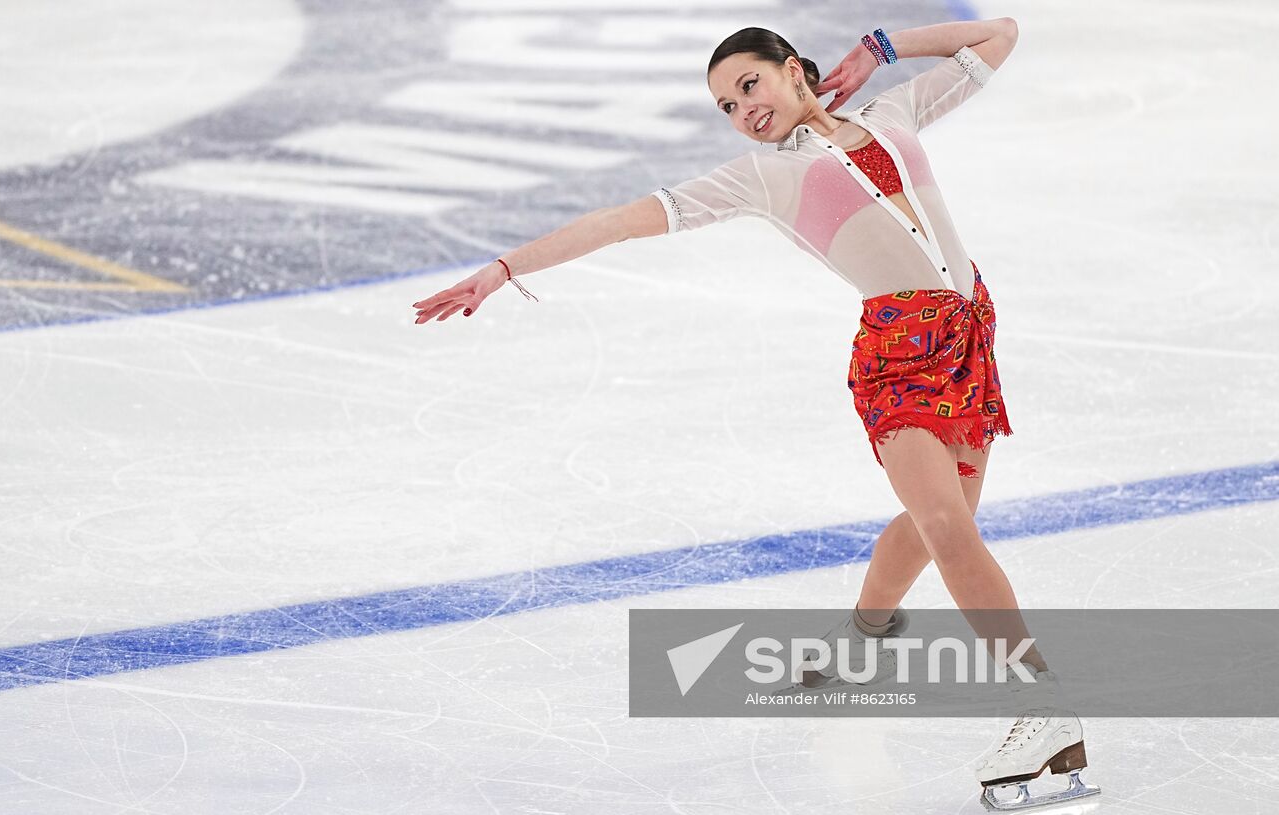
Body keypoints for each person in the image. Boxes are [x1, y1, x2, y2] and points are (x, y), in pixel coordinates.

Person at [411, 18, 1098, 811]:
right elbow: (618, 220)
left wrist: (876, 50)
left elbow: (999, 35)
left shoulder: (893, 115)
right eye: (727, 106)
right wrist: (503, 268)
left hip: (968, 336)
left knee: (930, 522)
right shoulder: (760, 179)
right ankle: (1039, 703)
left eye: (749, 84)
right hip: (898, 357)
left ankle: (861, 644)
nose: (743, 109)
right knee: (946, 524)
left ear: (792, 69)